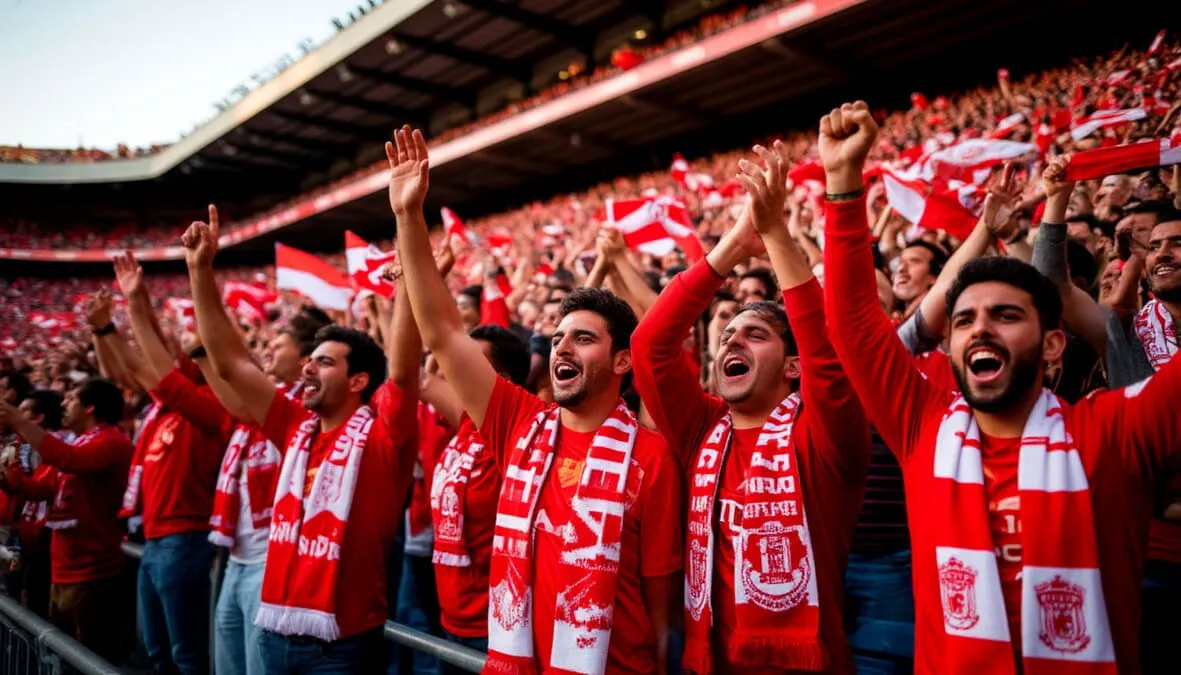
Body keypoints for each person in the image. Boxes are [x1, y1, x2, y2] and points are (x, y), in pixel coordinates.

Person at [820, 100, 1181, 674]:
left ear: (1054, 344)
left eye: (1006, 316)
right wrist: (841, 185)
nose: (980, 327)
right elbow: (853, 327)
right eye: (963, 320)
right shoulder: (922, 427)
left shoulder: (1115, 429)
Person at [389, 125, 683, 675]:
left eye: (585, 338)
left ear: (623, 362)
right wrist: (409, 216)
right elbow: (445, 334)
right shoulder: (520, 424)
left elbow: (663, 604)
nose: (561, 347)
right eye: (560, 336)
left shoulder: (653, 457)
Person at [632, 142, 870, 674]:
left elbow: (827, 359)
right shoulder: (704, 428)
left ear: (792, 366)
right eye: (729, 333)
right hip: (706, 663)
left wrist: (778, 237)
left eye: (756, 334)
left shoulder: (827, 434)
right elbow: (651, 347)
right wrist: (732, 247)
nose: (731, 343)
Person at [184, 204, 420, 674]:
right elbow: (231, 363)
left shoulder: (384, 435)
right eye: (310, 359)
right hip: (273, 633)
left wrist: (406, 280)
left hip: (342, 648)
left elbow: (403, 369)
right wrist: (199, 271)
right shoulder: (293, 426)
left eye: (325, 362)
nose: (308, 367)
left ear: (359, 382)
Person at [1033, 158, 1181, 673]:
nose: (1163, 253)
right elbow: (1051, 285)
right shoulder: (1125, 331)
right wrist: (1056, 200)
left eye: (1176, 243)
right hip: (1151, 551)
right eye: (1154, 245)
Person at [107, 250, 230, 675]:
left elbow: (153, 367)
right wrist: (134, 303)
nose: (185, 356)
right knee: (157, 652)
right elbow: (153, 358)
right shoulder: (167, 409)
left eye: (197, 353)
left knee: (185, 654)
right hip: (156, 539)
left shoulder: (212, 406)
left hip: (185, 539)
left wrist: (135, 309)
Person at [0, 378, 135, 664]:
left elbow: (70, 460)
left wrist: (18, 420)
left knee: (86, 654)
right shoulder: (81, 443)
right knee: (62, 651)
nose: (63, 404)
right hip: (64, 565)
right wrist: (14, 482)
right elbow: (44, 489)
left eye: (71, 398)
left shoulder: (111, 441)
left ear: (90, 408)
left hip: (92, 567)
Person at [420, 324, 531, 672]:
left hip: (494, 628)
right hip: (451, 619)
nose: (457, 370)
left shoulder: (513, 435)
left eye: (471, 362)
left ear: (503, 380)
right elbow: (427, 375)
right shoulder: (465, 421)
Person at [6, 389, 69, 618]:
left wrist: (13, 479)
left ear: (38, 417)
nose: (17, 416)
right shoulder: (21, 445)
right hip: (25, 531)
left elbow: (39, 489)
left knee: (35, 603)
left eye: (23, 411)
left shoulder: (57, 445)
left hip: (46, 535)